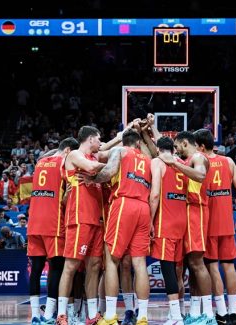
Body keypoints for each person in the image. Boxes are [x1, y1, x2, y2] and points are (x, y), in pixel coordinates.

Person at [81, 129, 152, 325]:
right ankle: (143, 317)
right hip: (144, 208)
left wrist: (92, 179)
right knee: (139, 264)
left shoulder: (121, 152)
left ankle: (111, 315)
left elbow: (109, 172)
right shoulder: (147, 159)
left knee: (112, 260)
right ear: (138, 143)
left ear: (125, 142)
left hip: (124, 204)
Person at [159, 131, 215, 324]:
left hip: (196, 211)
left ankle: (208, 315)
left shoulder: (198, 157)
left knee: (197, 263)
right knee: (186, 266)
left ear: (184, 143)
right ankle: (191, 311)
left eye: (177, 146)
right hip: (184, 212)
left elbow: (200, 175)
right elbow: (163, 153)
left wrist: (174, 163)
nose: (175, 151)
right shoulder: (186, 159)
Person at [194, 129, 236, 325]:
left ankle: (222, 313)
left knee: (213, 268)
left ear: (200, 146)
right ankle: (233, 313)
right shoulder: (229, 162)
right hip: (226, 221)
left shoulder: (199, 163)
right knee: (229, 266)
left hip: (207, 223)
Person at [55, 126, 106, 325]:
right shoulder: (75, 155)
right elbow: (92, 168)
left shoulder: (94, 158)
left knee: (94, 267)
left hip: (97, 220)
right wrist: (118, 163)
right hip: (79, 218)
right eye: (98, 139)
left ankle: (92, 315)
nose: (100, 142)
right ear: (90, 139)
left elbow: (104, 154)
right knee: (71, 266)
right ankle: (61, 315)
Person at [26, 137, 79, 325]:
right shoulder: (64, 164)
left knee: (36, 269)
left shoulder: (40, 163)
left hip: (34, 223)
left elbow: (51, 154)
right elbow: (65, 197)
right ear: (68, 152)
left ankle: (34, 315)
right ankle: (48, 315)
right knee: (57, 268)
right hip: (53, 223)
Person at [149, 136, 189, 325]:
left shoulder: (157, 162)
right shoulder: (181, 163)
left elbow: (155, 194)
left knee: (167, 269)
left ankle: (175, 317)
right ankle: (179, 311)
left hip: (166, 221)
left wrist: (149, 220)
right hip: (183, 220)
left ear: (158, 149)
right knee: (177, 270)